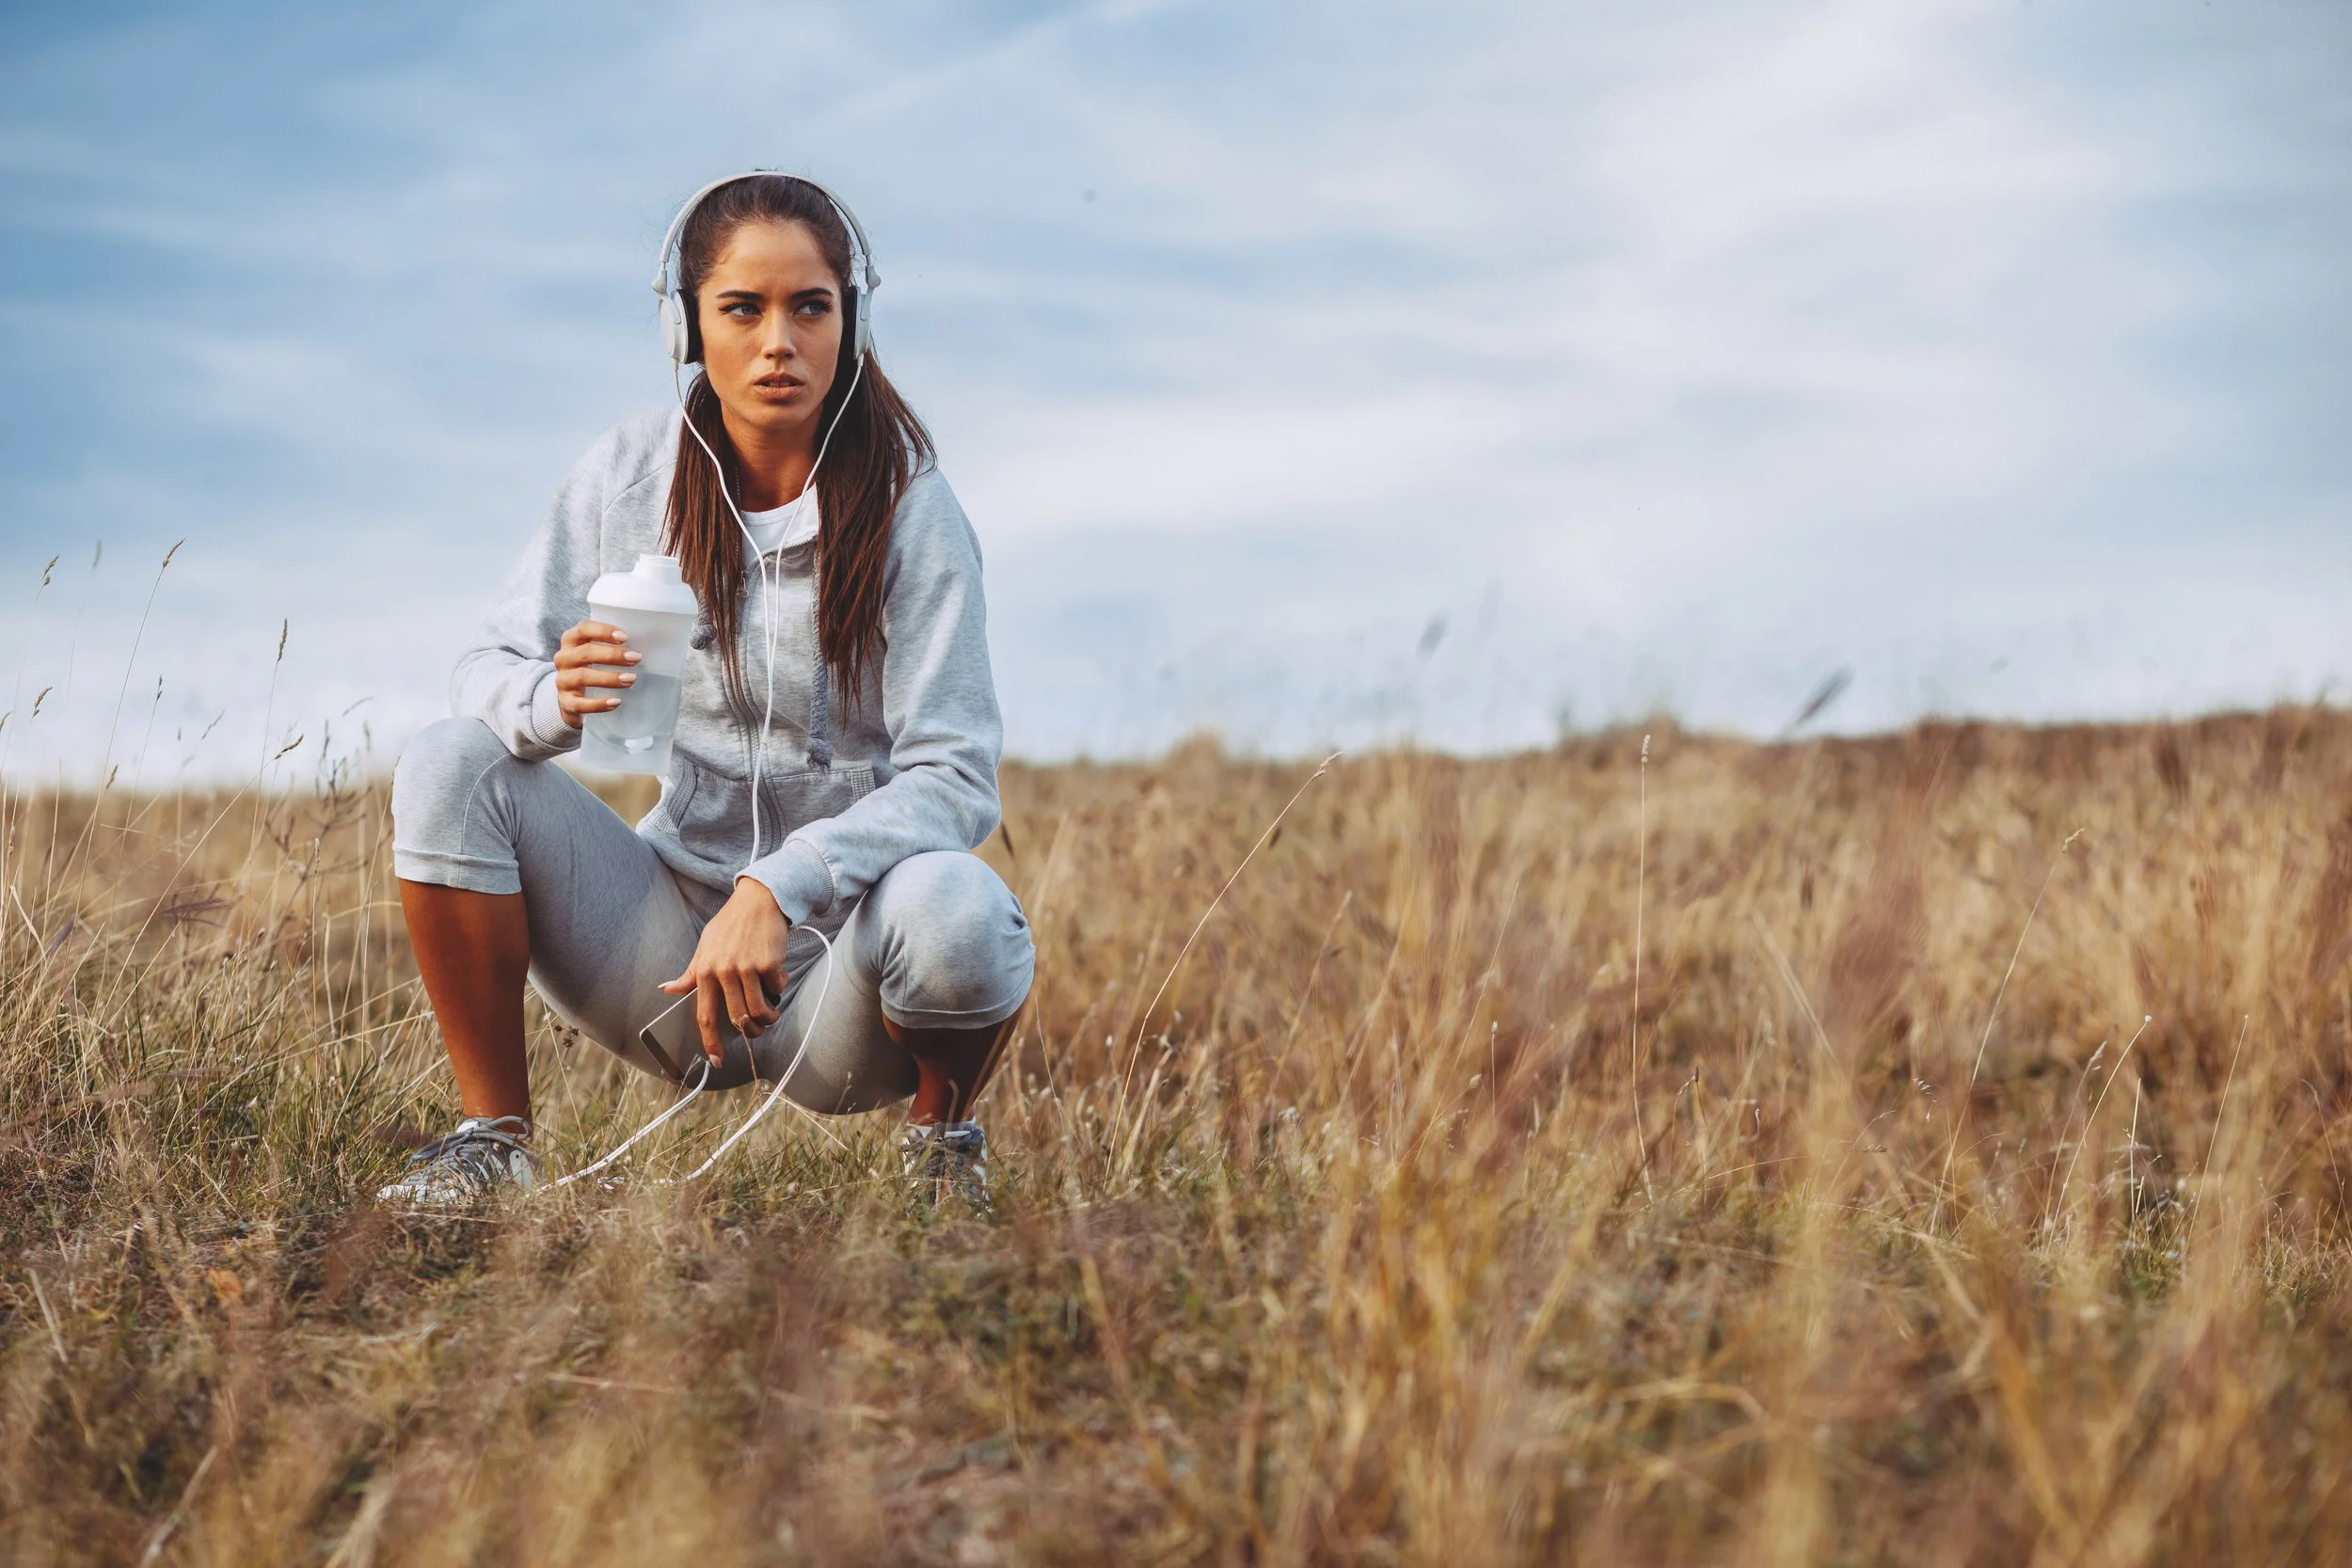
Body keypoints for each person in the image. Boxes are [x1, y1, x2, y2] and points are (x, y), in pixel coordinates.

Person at [379, 172, 1033, 1209]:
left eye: (808, 307)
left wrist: (783, 883)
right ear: (688, 326)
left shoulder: (916, 507)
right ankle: (492, 1142)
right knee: (448, 763)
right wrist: (553, 696)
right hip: (666, 956)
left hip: (837, 971)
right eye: (743, 308)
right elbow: (481, 667)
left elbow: (954, 776)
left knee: (961, 909)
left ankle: (939, 1159)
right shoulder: (630, 474)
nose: (778, 340)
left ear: (849, 323)